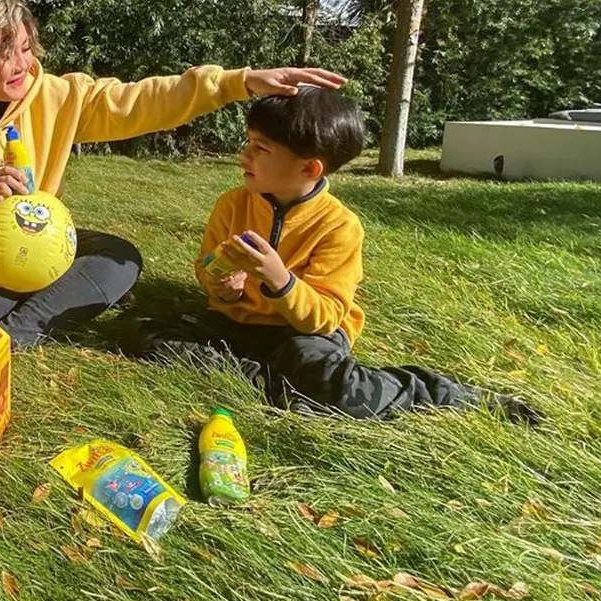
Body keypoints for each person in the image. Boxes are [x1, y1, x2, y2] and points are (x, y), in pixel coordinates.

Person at [0, 0, 346, 346]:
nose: (22, 62)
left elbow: (143, 101)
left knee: (120, 260)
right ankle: (27, 300)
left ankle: (19, 330)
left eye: (24, 46)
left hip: (41, 246)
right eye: (4, 53)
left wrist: (236, 83)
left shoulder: (59, 96)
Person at [140, 87, 536, 422]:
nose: (245, 155)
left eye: (260, 148)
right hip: (238, 327)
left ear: (309, 168)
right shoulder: (232, 204)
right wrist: (222, 286)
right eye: (248, 142)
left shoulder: (339, 226)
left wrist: (279, 280)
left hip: (306, 335)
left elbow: (325, 317)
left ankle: (439, 393)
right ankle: (278, 380)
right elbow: (207, 269)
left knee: (337, 385)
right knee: (149, 336)